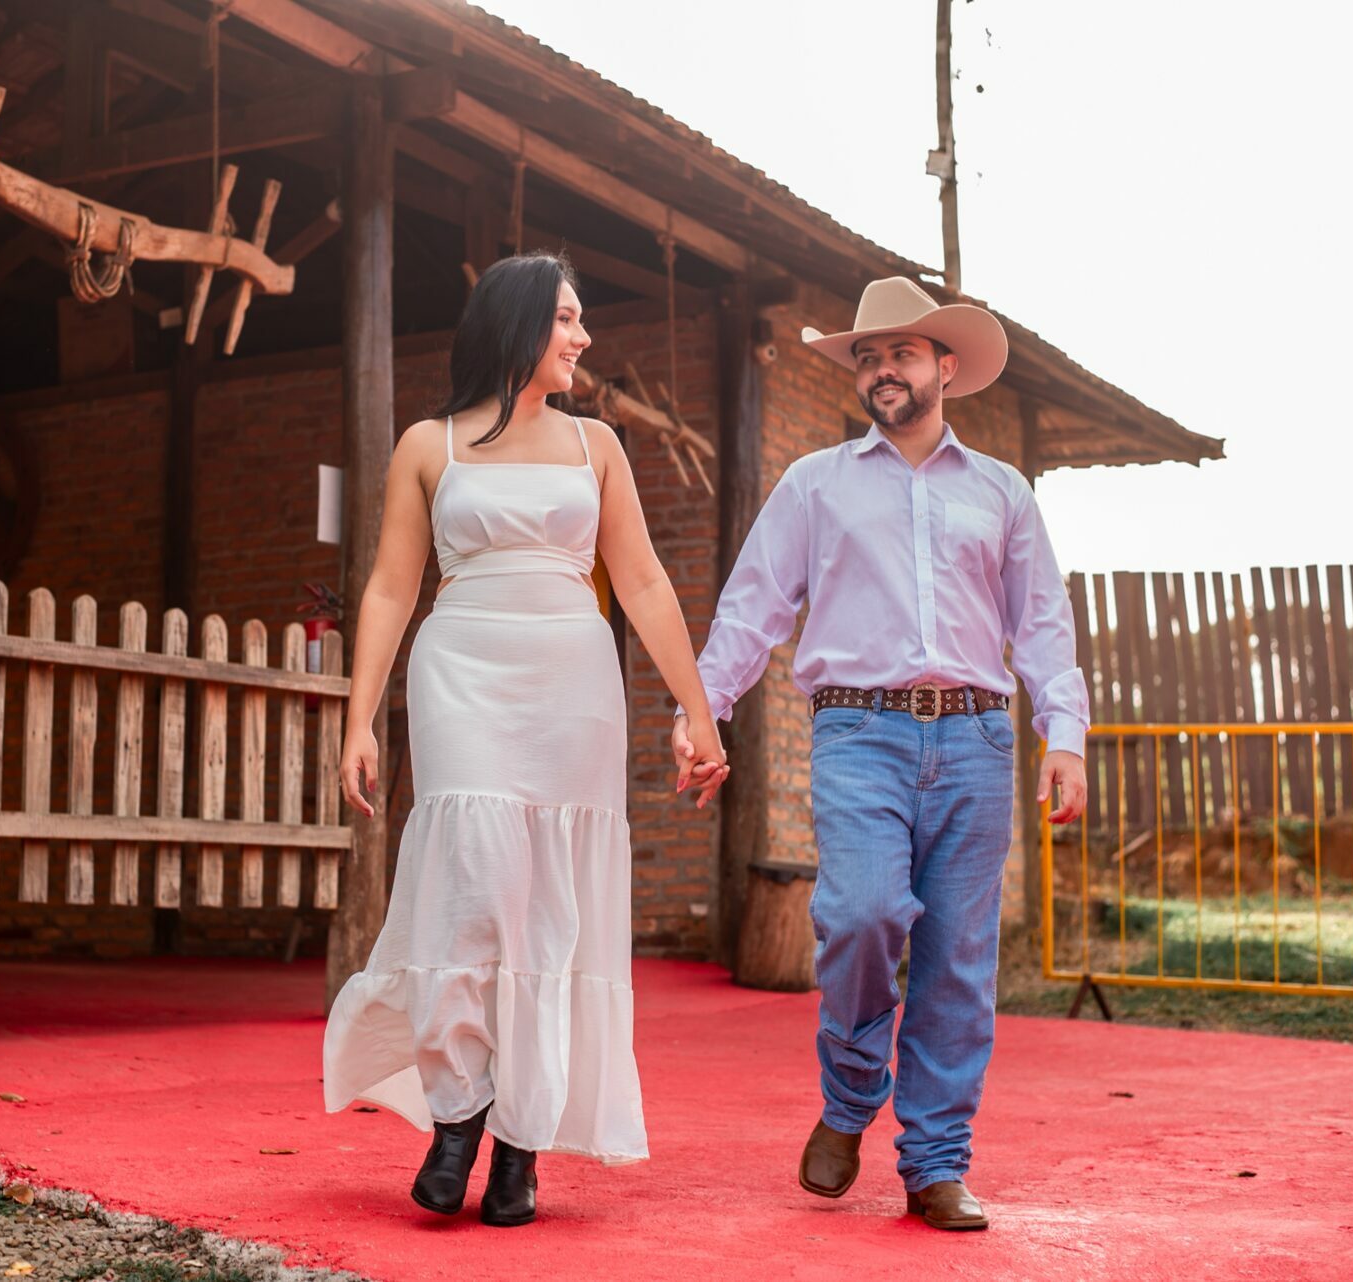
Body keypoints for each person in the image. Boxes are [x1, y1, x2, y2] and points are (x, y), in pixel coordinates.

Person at [323, 253, 729, 1227]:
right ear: (515, 324)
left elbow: (643, 582)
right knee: (472, 890)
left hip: (572, 686)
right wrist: (359, 715)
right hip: (461, 671)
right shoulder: (428, 445)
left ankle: (521, 1142)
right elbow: (391, 586)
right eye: (567, 319)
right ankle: (458, 1111)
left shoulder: (598, 447)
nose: (584, 337)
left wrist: (698, 710)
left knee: (549, 909)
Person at [674, 276, 1088, 1231]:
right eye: (867, 357)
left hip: (977, 736)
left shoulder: (1002, 491)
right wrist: (705, 707)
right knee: (859, 914)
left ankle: (936, 1163)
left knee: (957, 960)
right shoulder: (814, 484)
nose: (881, 369)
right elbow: (753, 606)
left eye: (900, 353)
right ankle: (853, 1090)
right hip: (859, 733)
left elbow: (1042, 624)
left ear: (946, 366)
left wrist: (1062, 735)